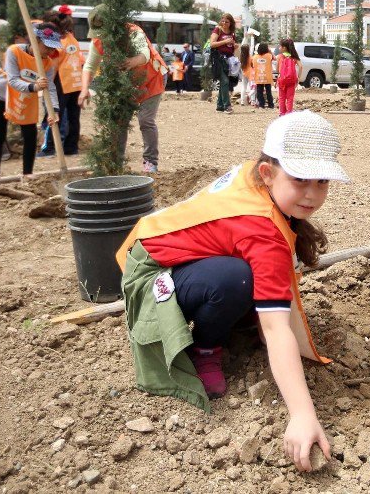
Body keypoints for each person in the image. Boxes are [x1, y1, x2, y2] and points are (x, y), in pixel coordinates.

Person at [117, 111, 349, 472]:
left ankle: (227, 312)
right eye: (300, 178)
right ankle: (205, 349)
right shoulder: (261, 229)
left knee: (241, 277)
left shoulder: (257, 180)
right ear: (268, 173)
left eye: (322, 181)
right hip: (152, 273)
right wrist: (303, 414)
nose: (312, 194)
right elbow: (276, 327)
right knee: (236, 278)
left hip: (170, 252)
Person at [79, 4, 167, 172]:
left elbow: (144, 55)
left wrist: (129, 62)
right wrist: (84, 89)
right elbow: (89, 66)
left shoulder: (134, 32)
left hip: (152, 78)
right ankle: (115, 162)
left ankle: (150, 162)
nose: (101, 37)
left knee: (145, 120)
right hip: (126, 84)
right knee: (119, 122)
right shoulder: (97, 42)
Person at [0, 23, 61, 189]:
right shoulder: (14, 51)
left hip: (26, 97)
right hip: (0, 94)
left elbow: (51, 88)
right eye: (47, 46)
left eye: (52, 48)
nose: (50, 51)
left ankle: (27, 173)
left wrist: (53, 110)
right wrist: (34, 87)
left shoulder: (48, 64)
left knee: (30, 133)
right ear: (35, 41)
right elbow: (12, 80)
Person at [40, 8, 84, 157]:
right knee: (73, 117)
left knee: (54, 114)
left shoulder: (56, 42)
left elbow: (54, 65)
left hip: (62, 81)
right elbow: (81, 60)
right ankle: (71, 148)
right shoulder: (72, 38)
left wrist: (46, 84)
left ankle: (49, 148)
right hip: (76, 81)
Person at [209, 13, 239, 113]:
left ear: (231, 23)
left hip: (229, 60)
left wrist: (234, 46)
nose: (224, 23)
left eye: (227, 21)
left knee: (224, 82)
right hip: (219, 59)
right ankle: (227, 106)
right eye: (223, 21)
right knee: (225, 81)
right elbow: (212, 44)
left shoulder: (232, 33)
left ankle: (220, 106)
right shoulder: (218, 30)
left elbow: (231, 47)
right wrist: (225, 42)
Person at [276, 38, 301, 116]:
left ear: (284, 48)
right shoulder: (294, 57)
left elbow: (277, 69)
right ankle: (289, 113)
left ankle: (282, 113)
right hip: (291, 80)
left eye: (280, 46)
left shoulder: (279, 56)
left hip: (282, 80)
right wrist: (298, 78)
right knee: (290, 98)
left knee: (281, 97)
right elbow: (301, 67)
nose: (279, 48)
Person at [250, 43, 275, 109]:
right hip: (267, 77)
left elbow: (252, 65)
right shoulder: (269, 56)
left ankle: (261, 105)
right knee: (268, 92)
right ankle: (271, 105)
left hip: (258, 77)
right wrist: (270, 51)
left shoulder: (254, 57)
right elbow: (274, 58)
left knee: (259, 92)